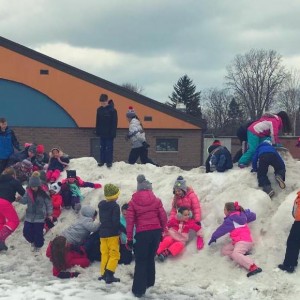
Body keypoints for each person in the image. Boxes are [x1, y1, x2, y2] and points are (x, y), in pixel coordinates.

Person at [126, 174, 167, 298]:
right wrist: (162, 231)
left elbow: (129, 222)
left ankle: (138, 290)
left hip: (142, 233)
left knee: (141, 260)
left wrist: (129, 238)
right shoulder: (156, 200)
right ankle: (149, 282)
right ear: (149, 189)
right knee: (150, 257)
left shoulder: (133, 202)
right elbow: (163, 217)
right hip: (155, 232)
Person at [208, 202, 262, 277]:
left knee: (235, 253)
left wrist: (213, 237)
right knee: (224, 250)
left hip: (243, 242)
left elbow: (221, 230)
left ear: (228, 211)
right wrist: (246, 213)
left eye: (224, 209)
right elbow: (253, 216)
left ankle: (253, 267)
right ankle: (241, 256)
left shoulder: (230, 220)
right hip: (242, 242)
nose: (223, 211)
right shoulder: (242, 215)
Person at [18, 171, 53, 252]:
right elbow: (24, 201)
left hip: (40, 217)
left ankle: (39, 245)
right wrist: (19, 199)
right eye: (32, 186)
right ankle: (32, 241)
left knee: (38, 233)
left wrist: (50, 214)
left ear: (38, 185)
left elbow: (49, 204)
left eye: (35, 186)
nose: (33, 188)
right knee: (26, 232)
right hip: (29, 216)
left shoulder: (44, 192)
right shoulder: (28, 191)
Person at [98, 184, 121, 284]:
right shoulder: (115, 206)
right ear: (114, 196)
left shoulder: (101, 205)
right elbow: (115, 222)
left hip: (102, 234)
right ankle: (110, 274)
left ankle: (103, 274)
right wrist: (123, 230)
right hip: (112, 234)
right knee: (114, 254)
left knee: (105, 254)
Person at [0, 167, 25, 251]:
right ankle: (0, 239)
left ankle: (1, 244)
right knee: (14, 221)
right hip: (4, 202)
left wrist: (13, 198)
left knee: (1, 222)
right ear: (13, 175)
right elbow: (23, 193)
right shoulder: (14, 181)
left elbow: (4, 191)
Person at [278, 191, 300, 273]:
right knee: (294, 243)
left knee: (292, 242)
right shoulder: (298, 196)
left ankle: (289, 264)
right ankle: (291, 263)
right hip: (298, 221)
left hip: (298, 222)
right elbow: (295, 211)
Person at [95, 94, 118, 168]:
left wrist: (113, 133)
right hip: (102, 132)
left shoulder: (112, 110)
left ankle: (109, 162)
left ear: (107, 101)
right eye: (101, 103)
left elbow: (114, 123)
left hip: (109, 133)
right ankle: (102, 161)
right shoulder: (99, 110)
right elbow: (97, 121)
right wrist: (97, 130)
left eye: (104, 102)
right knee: (102, 147)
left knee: (109, 148)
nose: (103, 104)